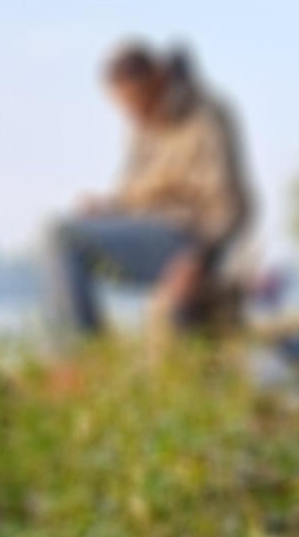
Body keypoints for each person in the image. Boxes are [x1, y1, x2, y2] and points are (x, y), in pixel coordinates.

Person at [44, 43, 253, 337]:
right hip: (149, 229)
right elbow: (139, 193)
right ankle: (82, 348)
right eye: (125, 108)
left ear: (158, 80)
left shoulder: (205, 117)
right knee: (60, 236)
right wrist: (110, 207)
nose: (134, 116)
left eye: (138, 102)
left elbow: (230, 207)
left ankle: (85, 352)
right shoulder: (142, 124)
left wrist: (200, 260)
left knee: (66, 238)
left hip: (189, 239)